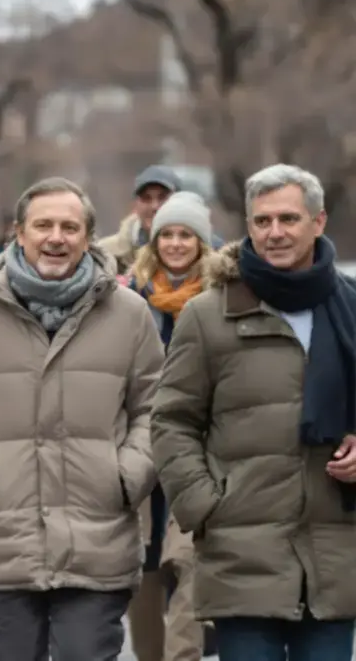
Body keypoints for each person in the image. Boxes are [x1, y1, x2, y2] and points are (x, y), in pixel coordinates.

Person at [0, 176, 164, 659]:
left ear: (87, 237)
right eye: (43, 225)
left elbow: (156, 408)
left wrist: (125, 477)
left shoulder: (129, 313)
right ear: (19, 233)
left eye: (69, 227)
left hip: (99, 537)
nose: (56, 237)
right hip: (3, 540)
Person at [151, 163, 356, 661]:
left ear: (318, 221)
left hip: (334, 555)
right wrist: (205, 506)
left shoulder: (352, 308)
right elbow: (171, 421)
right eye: (262, 221)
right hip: (240, 553)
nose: (275, 232)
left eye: (288, 218)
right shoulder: (209, 314)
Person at [124, 190, 217, 661]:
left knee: (190, 560)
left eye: (186, 235)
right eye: (168, 234)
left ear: (202, 243)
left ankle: (185, 657)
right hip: (139, 443)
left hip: (201, 445)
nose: (176, 244)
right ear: (154, 240)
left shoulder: (222, 296)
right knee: (144, 566)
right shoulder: (129, 295)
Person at [99, 164, 182, 272]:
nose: (154, 206)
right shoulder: (106, 254)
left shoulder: (202, 255)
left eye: (162, 197)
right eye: (146, 198)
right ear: (135, 205)